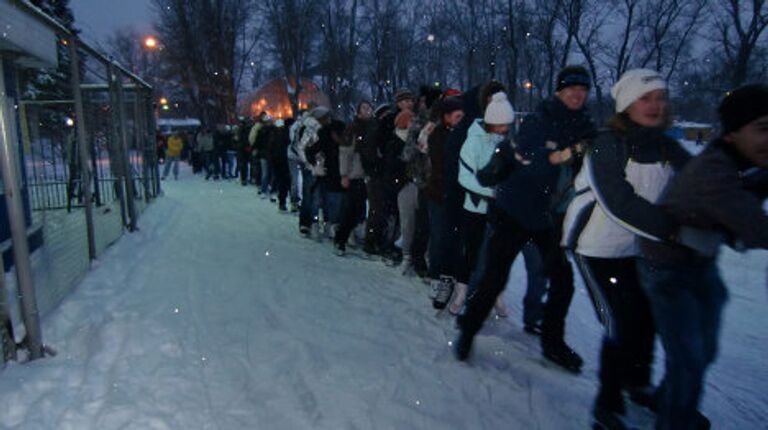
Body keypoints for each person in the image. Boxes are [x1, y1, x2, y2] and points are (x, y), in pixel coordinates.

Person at [560, 69, 690, 429]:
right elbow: (619, 201)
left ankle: (637, 383)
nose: (654, 105)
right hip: (595, 247)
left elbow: (699, 180)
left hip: (636, 248)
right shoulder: (608, 143)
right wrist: (674, 231)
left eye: (660, 97)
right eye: (645, 98)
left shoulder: (666, 145)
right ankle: (607, 403)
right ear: (627, 104)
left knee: (646, 318)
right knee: (621, 323)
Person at [638, 84, 768, 430]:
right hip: (665, 269)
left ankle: (669, 399)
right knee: (689, 359)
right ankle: (674, 418)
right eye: (762, 128)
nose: (767, 139)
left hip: (698, 263)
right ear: (733, 132)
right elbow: (756, 229)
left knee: (703, 350)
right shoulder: (715, 171)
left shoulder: (739, 162)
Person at [454, 66, 596, 373]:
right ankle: (468, 328)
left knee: (562, 281)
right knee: (495, 277)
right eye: (571, 88)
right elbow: (535, 164)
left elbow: (584, 164)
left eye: (582, 90)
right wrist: (567, 153)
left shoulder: (585, 125)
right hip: (514, 210)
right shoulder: (540, 119)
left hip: (548, 218)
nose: (577, 94)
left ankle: (552, 343)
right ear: (559, 91)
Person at [452, 92, 515, 314]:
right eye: (501, 124)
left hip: (500, 210)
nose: (505, 129)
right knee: (471, 251)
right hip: (475, 207)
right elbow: (465, 176)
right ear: (491, 122)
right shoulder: (473, 142)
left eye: (507, 124)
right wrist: (493, 191)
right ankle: (461, 291)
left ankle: (494, 293)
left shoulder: (508, 143)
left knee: (496, 254)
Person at [424, 95, 465, 309]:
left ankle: (452, 277)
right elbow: (443, 165)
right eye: (457, 116)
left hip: (459, 196)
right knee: (440, 236)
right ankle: (436, 277)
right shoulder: (437, 135)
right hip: (439, 194)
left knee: (455, 239)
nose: (461, 119)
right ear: (447, 117)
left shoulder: (466, 133)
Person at [334, 101, 373, 255]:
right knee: (351, 209)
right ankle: (340, 239)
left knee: (360, 210)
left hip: (366, 174)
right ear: (358, 112)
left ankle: (350, 234)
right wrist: (344, 174)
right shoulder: (353, 129)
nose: (368, 110)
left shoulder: (373, 128)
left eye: (369, 107)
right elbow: (345, 152)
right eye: (364, 108)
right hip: (354, 174)